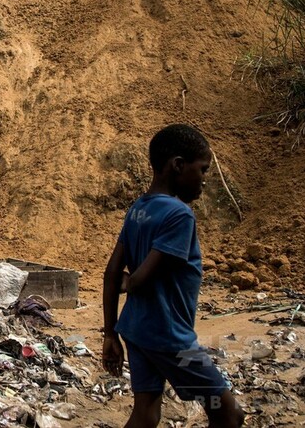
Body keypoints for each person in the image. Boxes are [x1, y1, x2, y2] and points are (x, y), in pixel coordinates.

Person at [102, 124, 245, 428]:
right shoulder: (179, 215)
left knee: (145, 414)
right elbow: (138, 279)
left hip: (136, 331)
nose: (204, 180)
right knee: (228, 413)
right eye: (202, 170)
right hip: (170, 339)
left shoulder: (139, 209)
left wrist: (110, 333)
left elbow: (111, 273)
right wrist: (129, 282)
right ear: (178, 165)